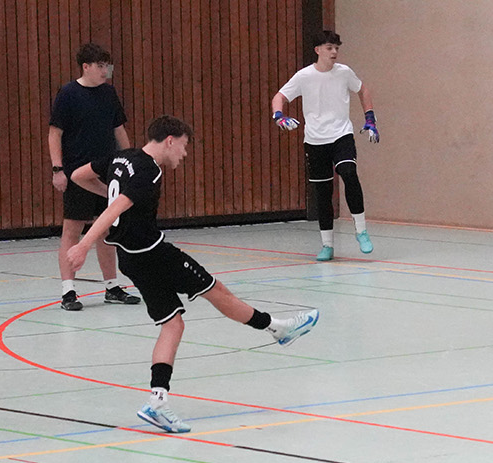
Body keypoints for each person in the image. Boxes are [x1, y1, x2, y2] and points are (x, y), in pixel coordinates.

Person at [66, 115, 319, 433]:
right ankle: (277, 328)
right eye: (183, 147)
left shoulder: (121, 157)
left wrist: (109, 194)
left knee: (172, 324)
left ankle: (157, 401)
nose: (184, 154)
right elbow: (115, 209)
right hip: (154, 254)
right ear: (169, 140)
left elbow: (78, 175)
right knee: (216, 290)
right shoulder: (147, 170)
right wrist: (83, 245)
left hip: (129, 258)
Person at [271, 30, 379, 261]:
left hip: (342, 135)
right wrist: (279, 116)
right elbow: (279, 97)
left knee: (349, 173)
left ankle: (361, 231)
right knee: (323, 192)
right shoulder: (304, 76)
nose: (334, 52)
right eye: (329, 48)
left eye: (336, 48)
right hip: (315, 140)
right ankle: (327, 245)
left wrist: (370, 118)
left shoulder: (344, 73)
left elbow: (363, 90)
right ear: (317, 50)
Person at [49, 43, 140, 311]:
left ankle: (112, 286)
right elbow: (55, 133)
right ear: (85, 67)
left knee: (106, 230)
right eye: (100, 66)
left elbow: (118, 129)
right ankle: (68, 291)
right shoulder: (68, 94)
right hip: (78, 173)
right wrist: (57, 169)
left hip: (107, 172)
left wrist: (130, 160)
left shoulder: (109, 93)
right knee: (72, 231)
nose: (105, 71)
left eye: (107, 66)